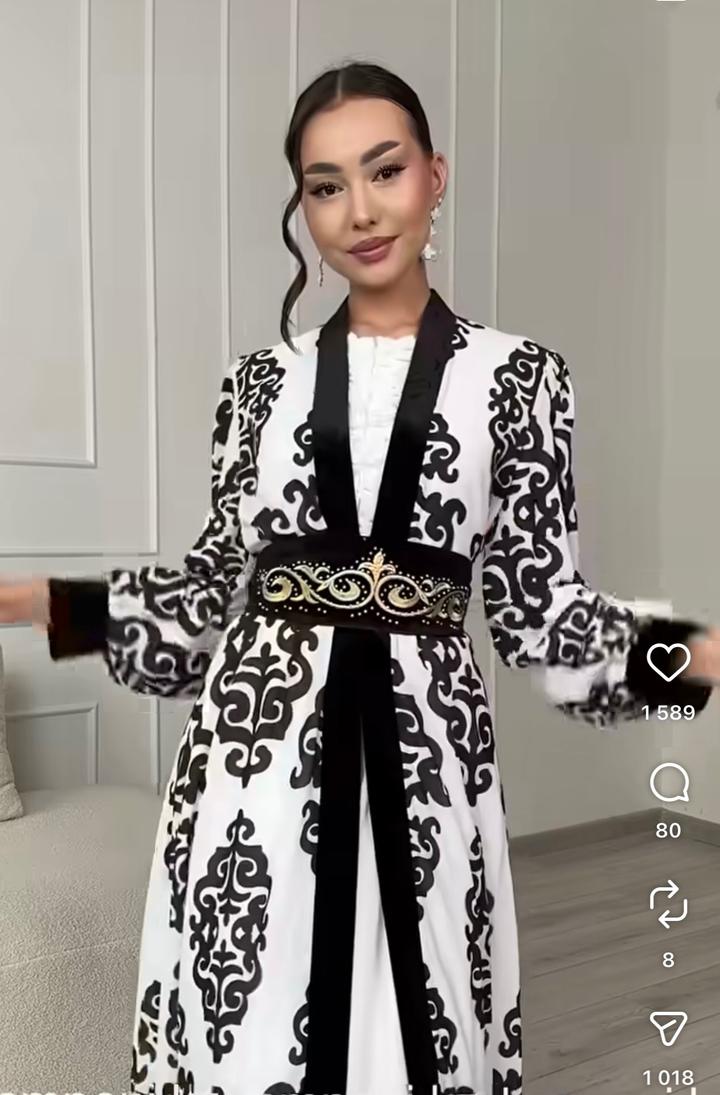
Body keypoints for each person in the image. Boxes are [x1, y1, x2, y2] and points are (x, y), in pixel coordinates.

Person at [1, 60, 719, 1095]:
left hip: (429, 758)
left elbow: (542, 616)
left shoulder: (522, 378)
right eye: (326, 185)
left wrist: (698, 659)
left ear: (436, 175)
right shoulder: (257, 385)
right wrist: (29, 602)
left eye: (385, 171)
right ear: (304, 207)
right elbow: (207, 593)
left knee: (422, 1023)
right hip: (256, 759)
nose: (360, 211)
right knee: (257, 1028)